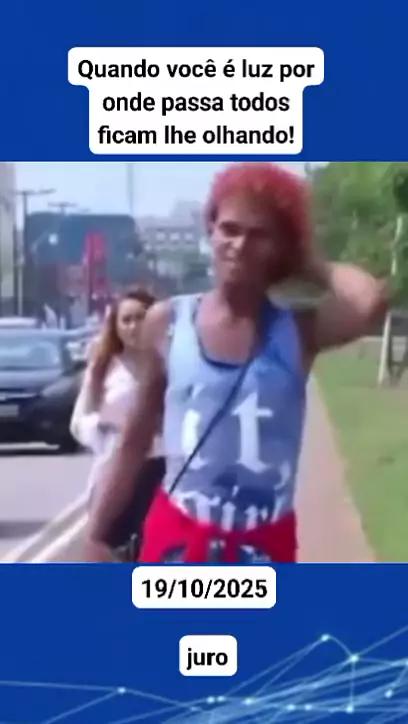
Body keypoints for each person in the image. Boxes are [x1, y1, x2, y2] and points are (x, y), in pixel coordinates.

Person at [84, 162, 388, 563]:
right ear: (210, 231)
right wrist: (95, 534)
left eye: (259, 235)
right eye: (229, 229)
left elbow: (369, 301)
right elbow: (135, 439)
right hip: (177, 546)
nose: (239, 245)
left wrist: (305, 261)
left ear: (280, 248)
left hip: (263, 549)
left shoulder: (298, 330)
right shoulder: (168, 322)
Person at [70, 287, 164, 557]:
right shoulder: (104, 367)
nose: (134, 326)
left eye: (141, 317)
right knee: (110, 548)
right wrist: (106, 426)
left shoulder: (172, 363)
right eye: (127, 320)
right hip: (115, 471)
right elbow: (80, 422)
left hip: (163, 471)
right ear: (116, 326)